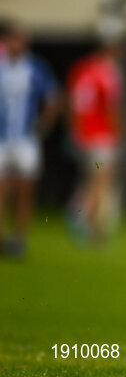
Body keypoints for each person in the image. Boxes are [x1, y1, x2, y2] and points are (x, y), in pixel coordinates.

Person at [0, 23, 61, 258]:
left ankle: (19, 236)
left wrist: (44, 123)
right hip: (2, 138)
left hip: (26, 138)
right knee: (2, 187)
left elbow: (54, 96)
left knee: (25, 189)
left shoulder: (35, 67)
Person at [66, 29, 125, 245]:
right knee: (101, 183)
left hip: (82, 135)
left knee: (89, 180)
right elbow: (112, 107)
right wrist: (120, 133)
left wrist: (74, 132)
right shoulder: (108, 72)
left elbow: (72, 103)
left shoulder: (81, 69)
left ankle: (80, 219)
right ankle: (88, 227)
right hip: (101, 136)